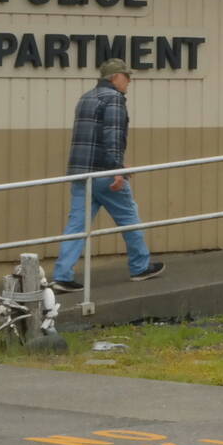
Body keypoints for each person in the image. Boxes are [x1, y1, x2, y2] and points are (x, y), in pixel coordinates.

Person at [52, 58, 163, 288]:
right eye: (126, 76)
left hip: (81, 174)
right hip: (104, 173)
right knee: (129, 218)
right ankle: (140, 267)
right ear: (114, 77)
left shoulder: (86, 98)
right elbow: (113, 136)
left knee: (77, 226)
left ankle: (63, 276)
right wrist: (118, 170)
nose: (129, 82)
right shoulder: (113, 99)